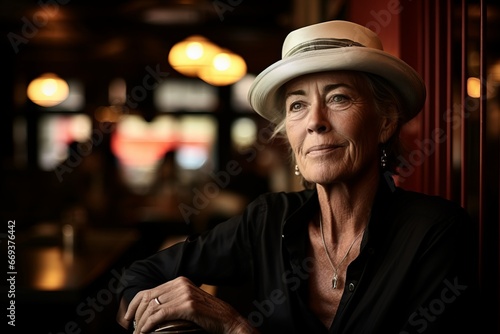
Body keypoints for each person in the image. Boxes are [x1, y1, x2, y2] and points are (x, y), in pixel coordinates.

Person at [116, 20, 482, 333]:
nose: (315, 122)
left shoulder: (436, 232)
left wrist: (233, 326)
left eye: (339, 98)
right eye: (297, 105)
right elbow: (137, 278)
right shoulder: (267, 219)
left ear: (385, 121)